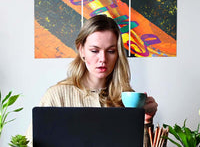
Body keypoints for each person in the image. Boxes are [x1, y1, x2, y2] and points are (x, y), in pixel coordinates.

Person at [26, 14, 158, 146]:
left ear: (118, 54)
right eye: (95, 50)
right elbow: (30, 144)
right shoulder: (56, 96)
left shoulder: (127, 100)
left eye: (111, 51)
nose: (103, 59)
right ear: (81, 50)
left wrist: (146, 121)